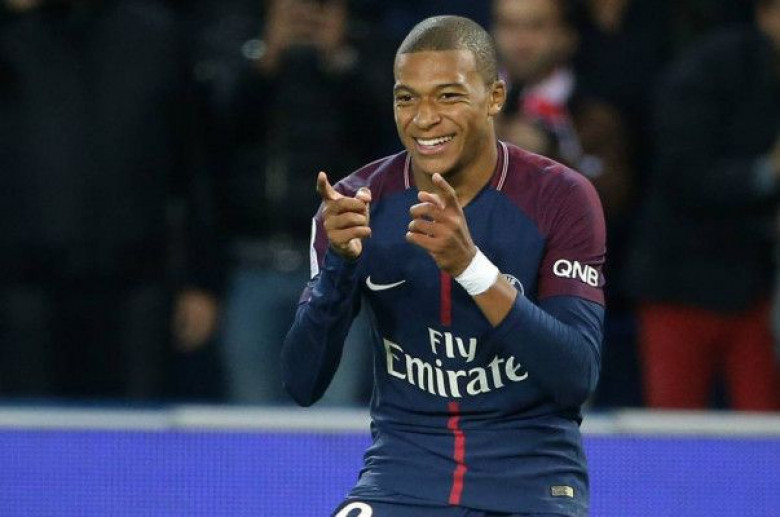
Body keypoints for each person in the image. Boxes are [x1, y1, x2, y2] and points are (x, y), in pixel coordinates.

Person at [282, 15, 606, 516]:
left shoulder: (561, 197)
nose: (423, 119)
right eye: (406, 98)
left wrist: (471, 268)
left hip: (530, 479)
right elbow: (302, 383)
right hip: (401, 477)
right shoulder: (353, 205)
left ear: (494, 97)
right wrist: (339, 270)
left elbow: (575, 376)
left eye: (448, 96)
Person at [0, 0, 221, 399]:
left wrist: (202, 281)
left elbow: (196, 169)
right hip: (25, 290)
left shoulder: (159, 37)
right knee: (30, 429)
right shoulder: (12, 35)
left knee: (135, 429)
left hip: (136, 290)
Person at [626, 0, 780, 410]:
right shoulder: (708, 69)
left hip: (755, 287)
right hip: (679, 281)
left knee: (765, 426)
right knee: (674, 428)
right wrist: (766, 172)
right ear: (766, 14)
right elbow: (682, 173)